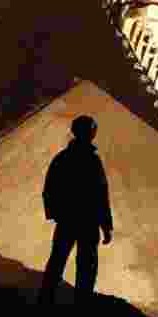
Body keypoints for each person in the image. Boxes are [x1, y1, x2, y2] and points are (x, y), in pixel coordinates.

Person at [38, 115, 114, 304]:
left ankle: (45, 300)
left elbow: (49, 189)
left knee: (57, 260)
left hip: (67, 221)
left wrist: (56, 215)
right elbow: (100, 194)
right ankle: (81, 305)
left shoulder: (62, 158)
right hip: (88, 222)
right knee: (86, 266)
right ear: (91, 133)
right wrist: (106, 225)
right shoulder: (93, 160)